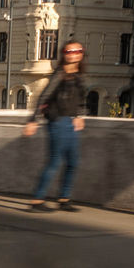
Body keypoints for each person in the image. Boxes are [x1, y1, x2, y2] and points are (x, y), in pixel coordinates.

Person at [22, 41, 88, 211]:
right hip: (57, 122)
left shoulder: (80, 75)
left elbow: (81, 99)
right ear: (64, 54)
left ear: (81, 54)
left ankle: (64, 199)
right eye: (69, 51)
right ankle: (37, 200)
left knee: (73, 162)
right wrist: (33, 120)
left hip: (71, 123)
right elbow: (43, 97)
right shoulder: (59, 74)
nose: (73, 53)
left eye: (77, 50)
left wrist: (80, 115)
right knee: (55, 162)